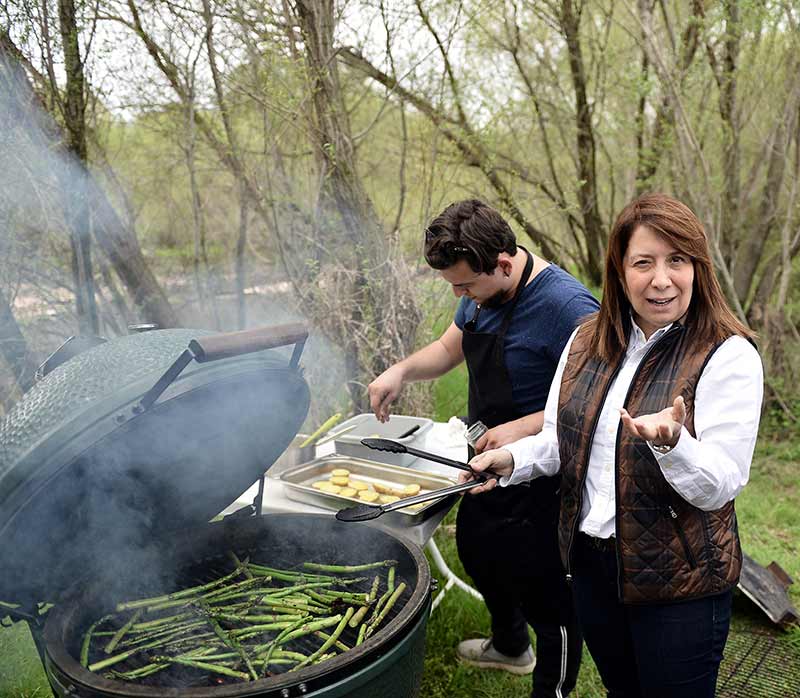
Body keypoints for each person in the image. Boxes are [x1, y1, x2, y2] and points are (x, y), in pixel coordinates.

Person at [467, 193, 764, 698]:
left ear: (698, 266)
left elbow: (721, 485)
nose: (661, 279)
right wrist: (511, 459)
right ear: (619, 270)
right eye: (643, 262)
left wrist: (674, 445)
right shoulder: (586, 339)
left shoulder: (727, 354)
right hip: (591, 568)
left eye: (677, 261)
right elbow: (564, 441)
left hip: (679, 582)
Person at [368, 199, 598, 697]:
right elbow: (452, 347)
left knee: (549, 597)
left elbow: (598, 395)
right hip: (483, 455)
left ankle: (552, 688)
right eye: (454, 285)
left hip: (545, 468)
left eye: (466, 285)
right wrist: (402, 370)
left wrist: (523, 426)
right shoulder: (476, 289)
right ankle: (511, 645)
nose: (460, 296)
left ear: (505, 263)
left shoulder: (568, 309)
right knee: (479, 550)